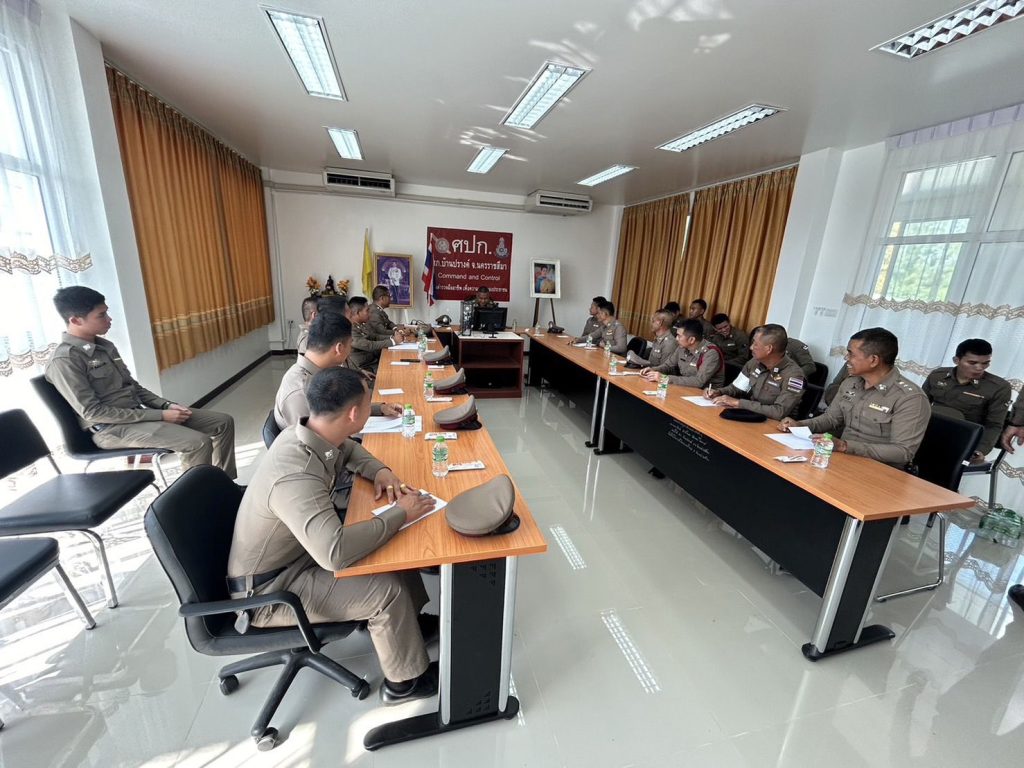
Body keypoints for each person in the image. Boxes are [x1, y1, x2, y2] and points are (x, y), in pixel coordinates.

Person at [228, 367, 439, 704]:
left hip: (297, 555)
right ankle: (405, 683)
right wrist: (401, 513)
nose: (371, 407)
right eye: (368, 403)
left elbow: (349, 450)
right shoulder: (295, 475)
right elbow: (335, 553)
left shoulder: (307, 433)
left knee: (390, 549)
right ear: (354, 414)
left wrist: (380, 471)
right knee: (387, 590)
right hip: (271, 590)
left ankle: (410, 626)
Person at [45, 286, 237, 477]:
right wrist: (160, 415)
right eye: (101, 315)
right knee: (198, 443)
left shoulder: (105, 346)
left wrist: (166, 405)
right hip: (111, 430)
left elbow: (134, 387)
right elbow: (93, 412)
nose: (109, 319)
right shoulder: (65, 360)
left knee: (223, 422)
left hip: (139, 416)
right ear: (76, 320)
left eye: (107, 313)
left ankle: (225, 483)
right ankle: (202, 494)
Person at [779, 327, 930, 468]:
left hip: (879, 470)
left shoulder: (910, 398)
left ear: (873, 360)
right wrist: (800, 425)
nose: (847, 358)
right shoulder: (850, 383)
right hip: (841, 460)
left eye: (851, 354)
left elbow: (903, 452)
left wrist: (844, 446)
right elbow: (831, 419)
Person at [274, 311, 401, 430]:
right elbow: (312, 442)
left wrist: (380, 408)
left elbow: (341, 409)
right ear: (339, 348)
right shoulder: (299, 392)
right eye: (350, 344)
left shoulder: (325, 372)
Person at [922, 339, 1012, 462]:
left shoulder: (998, 387)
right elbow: (920, 405)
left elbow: (994, 425)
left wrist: (980, 450)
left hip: (962, 440)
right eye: (972, 363)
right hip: (927, 430)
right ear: (956, 360)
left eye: (985, 363)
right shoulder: (938, 375)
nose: (979, 368)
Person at [706, 324, 805, 419]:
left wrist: (739, 403)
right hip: (750, 415)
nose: (751, 347)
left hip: (773, 424)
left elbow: (779, 412)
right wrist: (719, 392)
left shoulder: (794, 375)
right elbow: (737, 388)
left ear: (769, 349)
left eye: (755, 344)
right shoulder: (754, 362)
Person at [641, 318, 724, 389]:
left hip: (706, 395)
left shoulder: (711, 353)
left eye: (679, 336)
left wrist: (664, 378)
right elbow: (668, 365)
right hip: (685, 388)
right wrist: (654, 370)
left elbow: (698, 381)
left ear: (691, 340)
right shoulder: (682, 347)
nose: (676, 338)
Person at [349, 296, 405, 371]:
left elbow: (374, 337)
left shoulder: (360, 325)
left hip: (373, 361)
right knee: (396, 370)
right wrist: (393, 341)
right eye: (367, 310)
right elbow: (369, 345)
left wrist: (392, 337)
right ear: (358, 313)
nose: (370, 313)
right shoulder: (349, 329)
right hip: (365, 367)